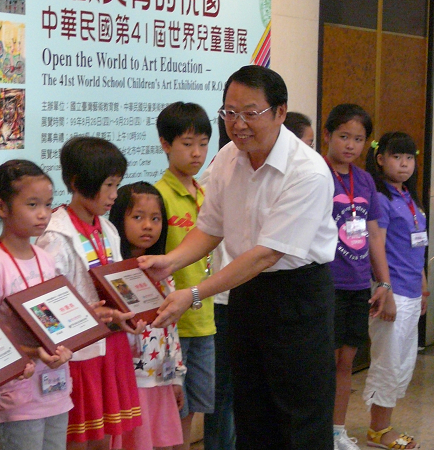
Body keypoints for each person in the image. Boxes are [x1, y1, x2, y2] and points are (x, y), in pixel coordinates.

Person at [140, 65, 338, 450]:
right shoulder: (229, 157)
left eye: (251, 113)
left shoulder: (307, 171)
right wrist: (172, 261)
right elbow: (210, 227)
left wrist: (194, 293)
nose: (238, 124)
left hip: (298, 296)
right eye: (229, 112)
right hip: (245, 294)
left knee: (299, 413)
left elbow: (266, 254)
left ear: (280, 112)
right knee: (251, 408)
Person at [36, 136, 143, 450]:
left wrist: (131, 312)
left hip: (112, 346)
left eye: (117, 185)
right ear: (77, 182)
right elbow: (46, 304)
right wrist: (89, 315)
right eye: (108, 185)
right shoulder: (55, 234)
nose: (114, 195)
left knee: (105, 439)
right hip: (79, 354)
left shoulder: (107, 229)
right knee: (77, 439)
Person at [0, 160, 73, 450]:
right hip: (16, 396)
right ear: (2, 207)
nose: (43, 214)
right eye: (32, 205)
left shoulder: (45, 258)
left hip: (56, 388)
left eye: (47, 204)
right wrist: (33, 352)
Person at [322, 104, 394, 450]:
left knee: (346, 361)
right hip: (323, 283)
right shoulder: (317, 174)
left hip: (355, 285)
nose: (350, 145)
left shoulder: (365, 181)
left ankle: (337, 431)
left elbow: (374, 235)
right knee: (322, 360)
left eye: (359, 139)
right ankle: (316, 430)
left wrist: (384, 283)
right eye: (344, 136)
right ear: (328, 136)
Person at [154, 101, 215, 450]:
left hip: (204, 316)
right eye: (187, 143)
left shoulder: (206, 194)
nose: (197, 153)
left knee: (195, 406)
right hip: (172, 321)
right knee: (169, 406)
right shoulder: (159, 196)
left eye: (203, 144)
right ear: (165, 144)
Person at [108, 182, 186, 450]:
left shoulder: (164, 271)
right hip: (131, 381)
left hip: (160, 378)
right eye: (138, 217)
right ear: (119, 218)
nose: (148, 226)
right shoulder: (112, 272)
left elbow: (171, 330)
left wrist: (176, 376)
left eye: (155, 219)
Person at [363, 132, 427, 450]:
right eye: (396, 157)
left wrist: (424, 288)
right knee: (387, 363)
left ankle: (384, 424)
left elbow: (418, 248)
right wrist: (384, 291)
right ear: (380, 160)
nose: (404, 164)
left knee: (403, 364)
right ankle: (378, 430)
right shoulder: (381, 199)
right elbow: (377, 248)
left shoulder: (409, 198)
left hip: (413, 293)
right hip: (393, 292)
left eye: (409, 158)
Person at [198, 118, 236, 450]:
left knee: (236, 390)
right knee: (222, 392)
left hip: (243, 292)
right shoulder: (220, 168)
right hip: (221, 297)